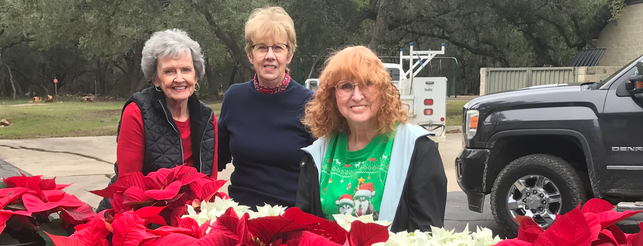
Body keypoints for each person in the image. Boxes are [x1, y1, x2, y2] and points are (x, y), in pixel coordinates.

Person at [297, 46, 447, 232]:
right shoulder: (318, 154)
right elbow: (304, 229)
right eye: (345, 86)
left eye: (367, 83)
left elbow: (427, 234)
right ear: (332, 95)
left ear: (382, 90)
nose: (357, 96)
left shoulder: (417, 149)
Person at [98, 29, 217, 211]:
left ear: (196, 75)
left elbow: (209, 184)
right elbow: (128, 185)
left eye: (186, 70)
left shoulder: (207, 117)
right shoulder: (137, 111)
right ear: (155, 79)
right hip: (140, 214)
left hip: (189, 216)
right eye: (169, 71)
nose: (179, 79)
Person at [217, 6, 313, 208]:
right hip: (242, 213)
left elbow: (322, 172)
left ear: (289, 54)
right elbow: (215, 158)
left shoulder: (310, 104)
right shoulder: (234, 98)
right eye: (262, 47)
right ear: (250, 54)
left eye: (278, 48)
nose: (270, 55)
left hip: (291, 215)